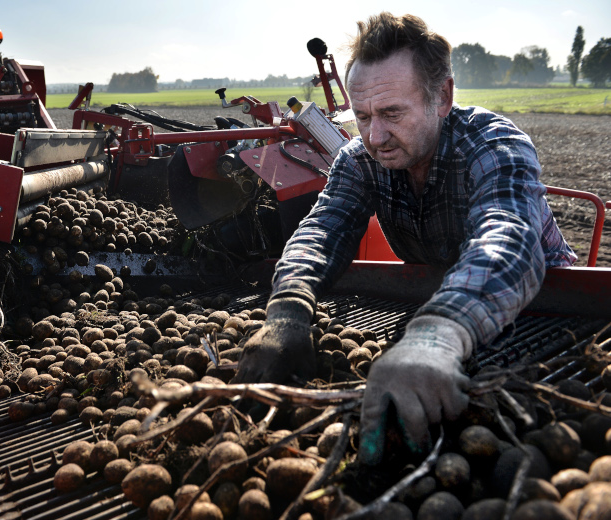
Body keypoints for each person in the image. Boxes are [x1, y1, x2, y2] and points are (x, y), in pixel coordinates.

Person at [229, 12, 577, 465]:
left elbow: (507, 242)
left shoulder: (493, 145)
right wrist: (289, 308)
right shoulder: (361, 159)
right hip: (444, 306)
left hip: (549, 309)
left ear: (443, 97)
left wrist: (435, 336)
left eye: (392, 113)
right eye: (363, 116)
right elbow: (321, 230)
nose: (375, 136)